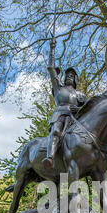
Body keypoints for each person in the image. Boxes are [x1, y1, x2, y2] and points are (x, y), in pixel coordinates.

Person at [42, 37, 87, 169]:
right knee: (56, 131)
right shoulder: (58, 88)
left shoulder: (80, 95)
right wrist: (52, 49)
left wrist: (78, 110)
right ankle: (49, 157)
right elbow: (51, 68)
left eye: (72, 76)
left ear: (76, 80)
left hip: (75, 119)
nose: (69, 77)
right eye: (67, 75)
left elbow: (87, 110)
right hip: (60, 115)